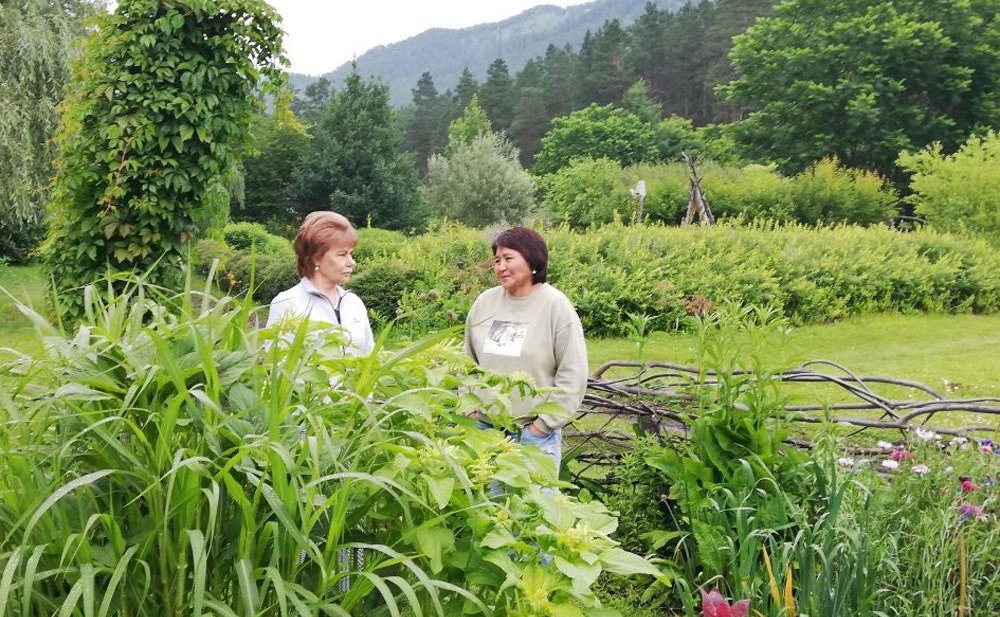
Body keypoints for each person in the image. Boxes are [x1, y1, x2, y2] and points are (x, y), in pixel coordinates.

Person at [464, 226, 588, 474]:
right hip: (485, 431)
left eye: (509, 258)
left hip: (533, 435)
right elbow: (466, 360)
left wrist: (542, 426)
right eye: (497, 260)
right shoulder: (486, 302)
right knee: (486, 507)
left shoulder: (556, 307)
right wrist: (469, 408)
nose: (500, 267)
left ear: (533, 260)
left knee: (533, 510)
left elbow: (573, 373)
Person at [266, 211, 374, 356]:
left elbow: (370, 359)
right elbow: (278, 367)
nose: (351, 262)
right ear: (315, 258)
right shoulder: (287, 304)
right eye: (342, 254)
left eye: (351, 254)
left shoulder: (354, 302)